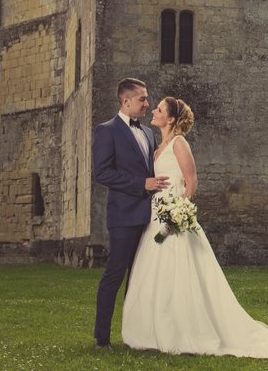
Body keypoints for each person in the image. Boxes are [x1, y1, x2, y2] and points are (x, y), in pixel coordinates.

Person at [121, 96, 268, 357]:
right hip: (156, 214)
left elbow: (191, 183)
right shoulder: (157, 148)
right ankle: (150, 330)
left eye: (159, 109)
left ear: (171, 119)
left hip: (174, 217)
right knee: (153, 272)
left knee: (180, 272)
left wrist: (178, 214)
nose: (154, 111)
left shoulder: (179, 144)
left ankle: (184, 330)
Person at [91, 78, 169, 349]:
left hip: (149, 217)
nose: (147, 104)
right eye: (142, 99)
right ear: (126, 101)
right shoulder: (106, 131)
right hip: (123, 217)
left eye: (147, 100)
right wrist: (140, 184)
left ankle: (135, 335)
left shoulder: (148, 133)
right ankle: (102, 338)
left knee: (140, 277)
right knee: (115, 274)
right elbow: (101, 172)